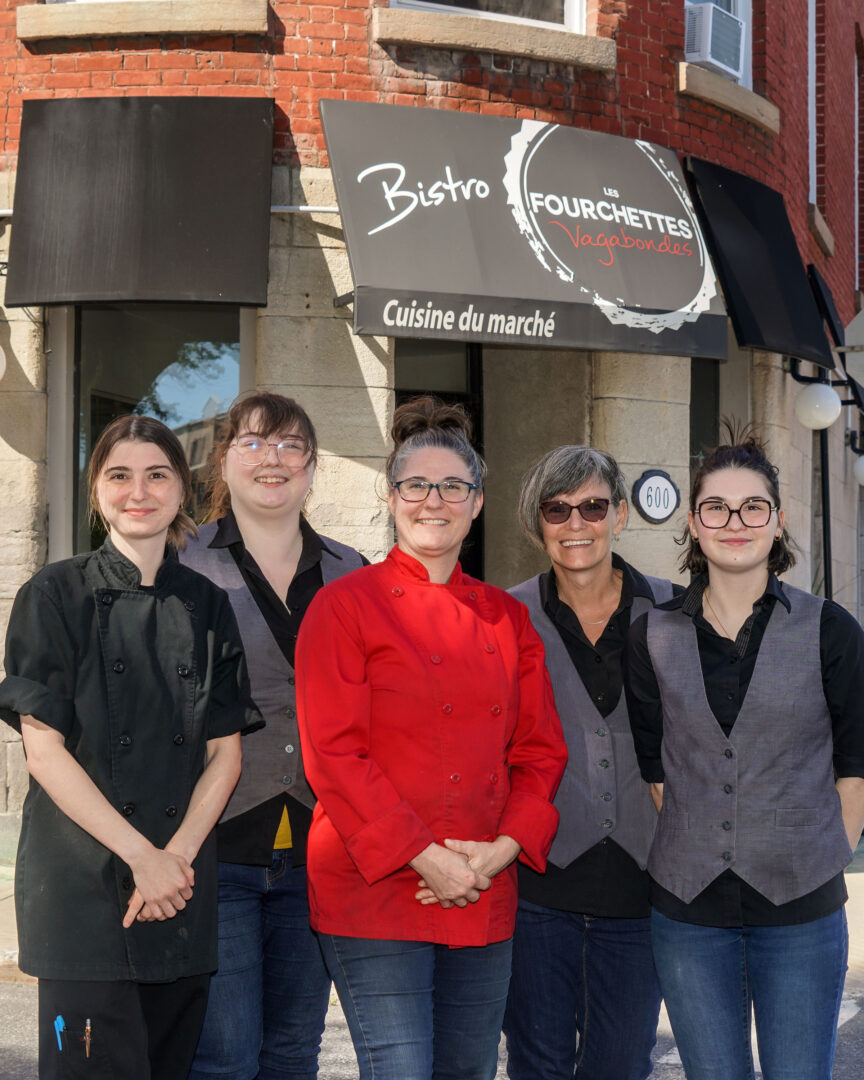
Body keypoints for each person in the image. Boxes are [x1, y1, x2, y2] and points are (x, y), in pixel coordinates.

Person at [295, 396, 567, 1080]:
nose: (434, 501)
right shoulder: (344, 605)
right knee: (402, 1070)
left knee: (469, 1070)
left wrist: (499, 851)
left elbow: (540, 753)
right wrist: (425, 857)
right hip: (375, 884)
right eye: (416, 485)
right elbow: (334, 753)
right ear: (391, 497)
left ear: (477, 503)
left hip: (483, 884)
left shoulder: (508, 618)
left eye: (453, 486)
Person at [0, 414, 260, 1080]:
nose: (137, 490)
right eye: (119, 475)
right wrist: (142, 856)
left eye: (156, 475)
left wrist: (172, 860)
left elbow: (224, 754)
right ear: (96, 492)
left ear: (182, 491)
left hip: (177, 898)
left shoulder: (208, 605)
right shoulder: (52, 595)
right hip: (82, 895)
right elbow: (45, 751)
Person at [624, 429, 864, 1080]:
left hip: (801, 915)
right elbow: (658, 776)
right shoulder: (651, 634)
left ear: (777, 521)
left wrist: (818, 861)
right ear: (694, 525)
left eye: (752, 506)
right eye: (717, 508)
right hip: (688, 914)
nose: (735, 522)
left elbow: (855, 773)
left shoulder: (830, 629)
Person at [182, 391, 366, 1080]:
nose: (273, 459)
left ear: (313, 469)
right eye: (254, 442)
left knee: (293, 1053)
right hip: (216, 845)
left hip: (320, 847)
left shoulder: (354, 571)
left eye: (291, 446)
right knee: (223, 1055)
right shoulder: (179, 561)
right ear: (223, 461)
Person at [502, 446, 672, 1080]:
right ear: (537, 522)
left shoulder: (678, 612)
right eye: (557, 509)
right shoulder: (502, 616)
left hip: (642, 885)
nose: (576, 524)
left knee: (623, 1064)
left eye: (593, 506)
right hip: (535, 890)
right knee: (537, 1064)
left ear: (621, 514)